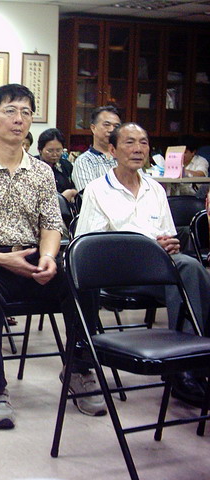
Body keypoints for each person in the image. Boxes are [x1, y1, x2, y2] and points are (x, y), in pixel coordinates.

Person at [0, 84, 105, 429]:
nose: (19, 119)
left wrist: (49, 257)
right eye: (10, 111)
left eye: (26, 112)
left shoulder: (41, 171)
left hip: (31, 260)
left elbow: (51, 225)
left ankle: (78, 368)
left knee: (82, 278)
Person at [75, 122, 210, 408]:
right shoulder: (97, 190)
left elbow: (169, 237)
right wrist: (149, 248)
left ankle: (192, 364)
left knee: (191, 271)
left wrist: (169, 245)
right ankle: (186, 370)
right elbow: (89, 248)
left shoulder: (155, 189)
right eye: (129, 142)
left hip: (157, 273)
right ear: (113, 150)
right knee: (187, 270)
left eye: (144, 142)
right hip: (116, 274)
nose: (138, 149)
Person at [72, 105, 121, 192]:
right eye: (107, 125)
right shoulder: (84, 161)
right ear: (93, 128)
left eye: (116, 126)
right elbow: (90, 195)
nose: (111, 130)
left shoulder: (124, 158)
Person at [37, 128, 78, 203]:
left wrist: (72, 192)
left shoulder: (66, 165)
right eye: (50, 151)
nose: (55, 154)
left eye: (58, 150)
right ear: (40, 150)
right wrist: (61, 198)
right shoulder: (33, 166)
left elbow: (75, 187)